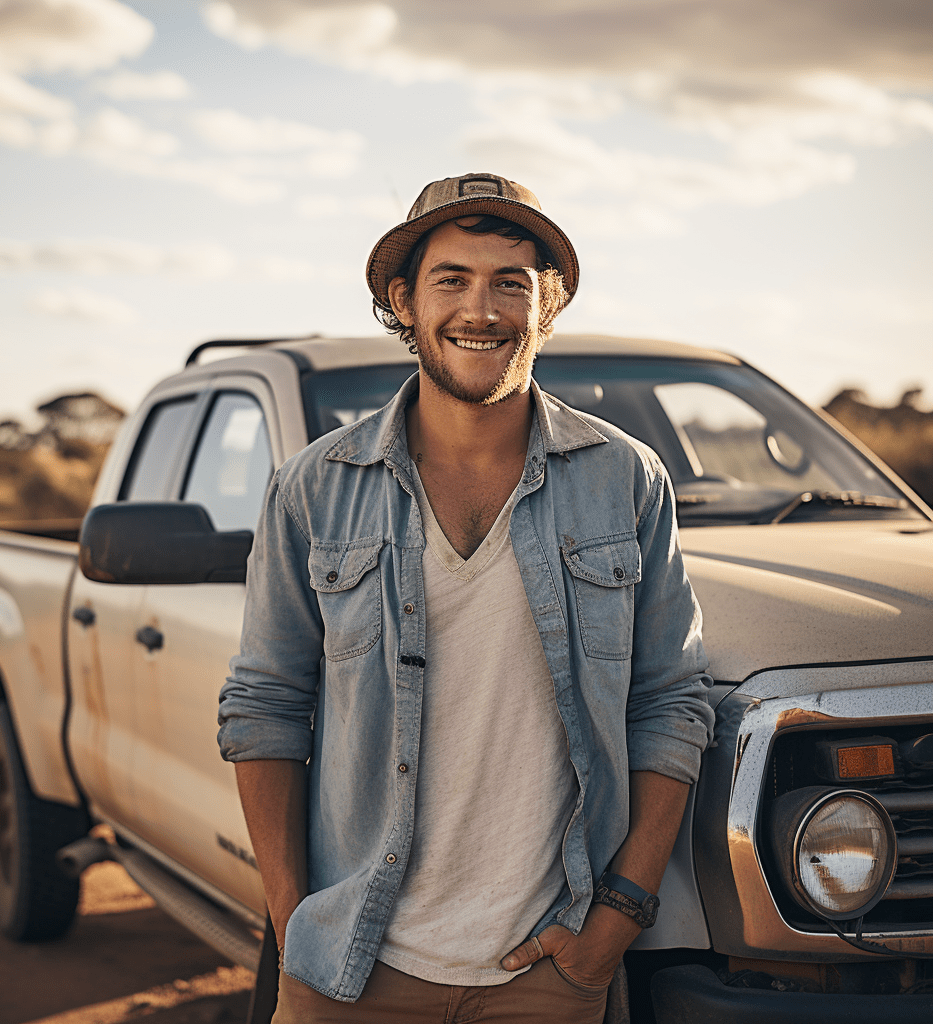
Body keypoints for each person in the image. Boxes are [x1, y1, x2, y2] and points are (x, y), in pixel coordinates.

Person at [218, 172, 714, 1023]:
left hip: (550, 971)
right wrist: (297, 919)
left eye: (510, 283)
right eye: (452, 279)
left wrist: (617, 919)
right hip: (352, 968)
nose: (480, 310)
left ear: (546, 306)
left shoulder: (624, 479)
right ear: (403, 300)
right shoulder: (315, 490)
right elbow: (264, 704)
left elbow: (670, 700)